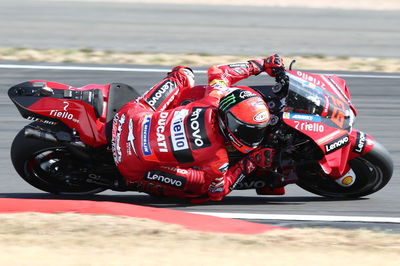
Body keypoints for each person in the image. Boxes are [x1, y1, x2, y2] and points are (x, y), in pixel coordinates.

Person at [111, 54, 284, 202]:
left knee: (183, 74)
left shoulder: (214, 98)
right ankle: (137, 183)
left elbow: (219, 71)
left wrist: (260, 64)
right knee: (201, 188)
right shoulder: (218, 158)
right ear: (229, 123)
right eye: (251, 131)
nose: (256, 136)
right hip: (129, 164)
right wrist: (250, 162)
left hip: (129, 117)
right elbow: (218, 191)